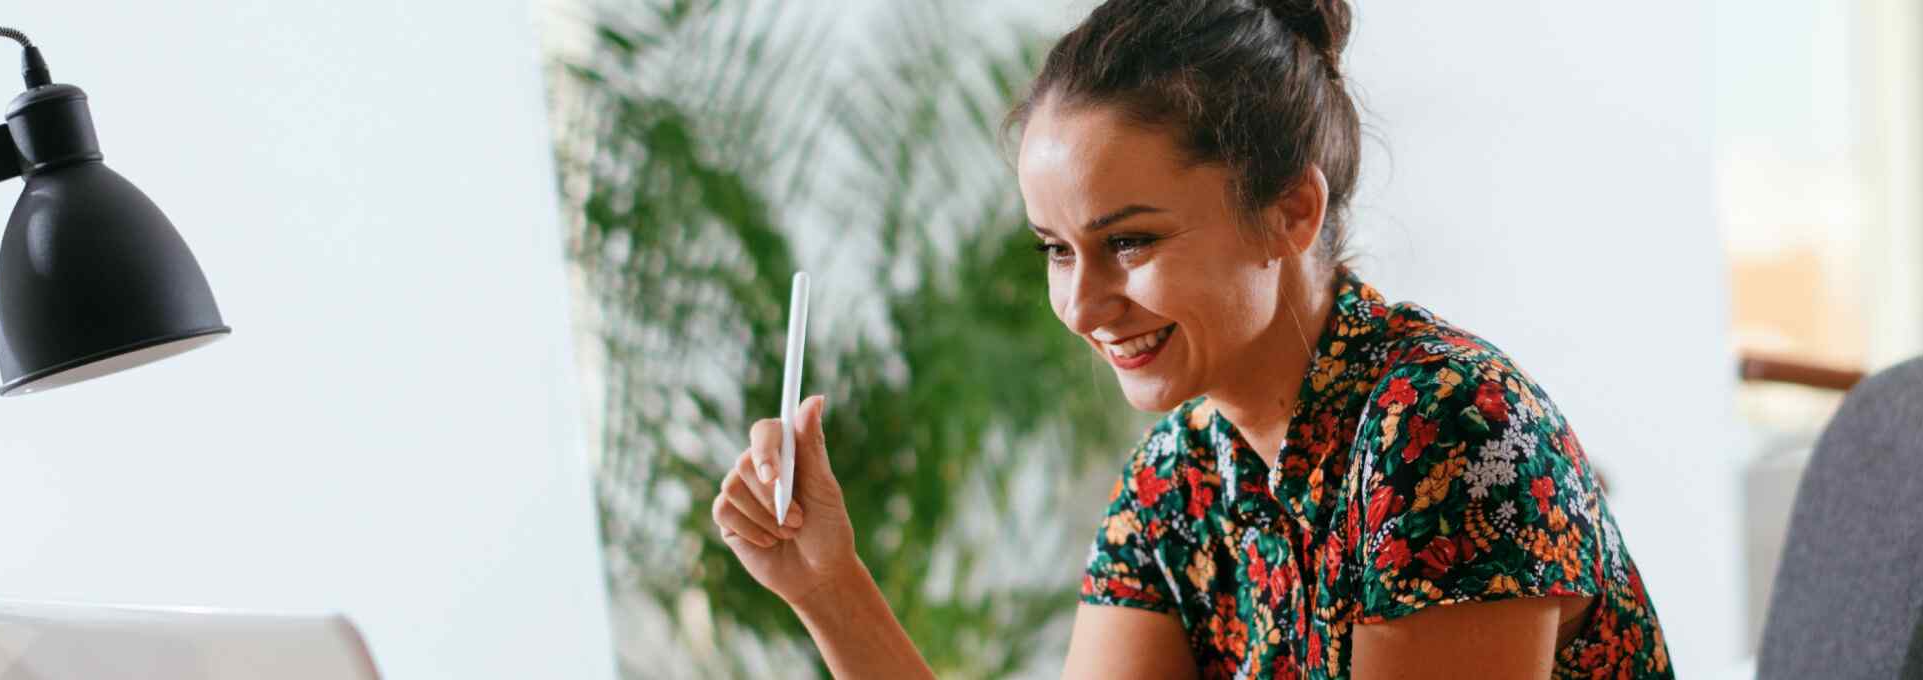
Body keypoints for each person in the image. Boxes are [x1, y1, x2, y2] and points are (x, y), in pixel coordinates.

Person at [706, 1, 1671, 677]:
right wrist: (829, 587)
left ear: (1291, 210)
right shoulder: (1180, 482)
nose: (1082, 305)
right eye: (1055, 249)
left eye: (1129, 241)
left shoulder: (1449, 434)